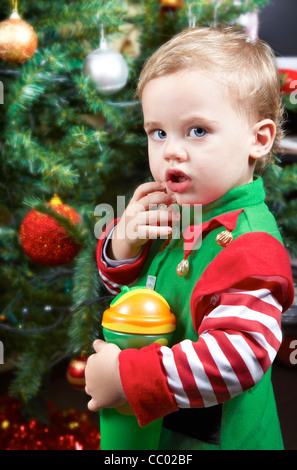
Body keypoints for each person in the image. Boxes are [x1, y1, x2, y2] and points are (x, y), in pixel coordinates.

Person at [85, 26, 294, 450]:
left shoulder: (250, 244)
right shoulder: (176, 209)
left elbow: (237, 360)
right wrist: (123, 244)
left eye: (197, 131)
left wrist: (128, 378)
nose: (171, 152)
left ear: (258, 139)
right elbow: (121, 293)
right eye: (157, 132)